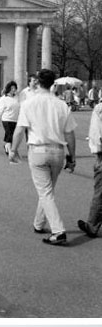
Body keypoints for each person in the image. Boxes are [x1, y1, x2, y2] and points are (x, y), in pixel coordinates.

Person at [9, 68, 76, 246]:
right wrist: (72, 157)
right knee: (47, 191)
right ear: (53, 83)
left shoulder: (29, 103)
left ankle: (58, 230)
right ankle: (39, 223)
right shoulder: (62, 105)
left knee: (45, 192)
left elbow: (19, 130)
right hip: (58, 151)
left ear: (37, 82)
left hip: (38, 150)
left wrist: (13, 150)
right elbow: (70, 134)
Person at [77, 99, 102, 238]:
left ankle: (92, 225)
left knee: (100, 192)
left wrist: (98, 151)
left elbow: (97, 134)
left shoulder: (99, 109)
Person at [0, 81, 20, 156]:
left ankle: (7, 147)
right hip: (7, 120)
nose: (13, 89)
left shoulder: (17, 97)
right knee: (10, 135)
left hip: (15, 119)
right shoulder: (3, 99)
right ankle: (10, 151)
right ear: (8, 89)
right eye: (12, 88)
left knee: (14, 135)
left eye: (15, 88)